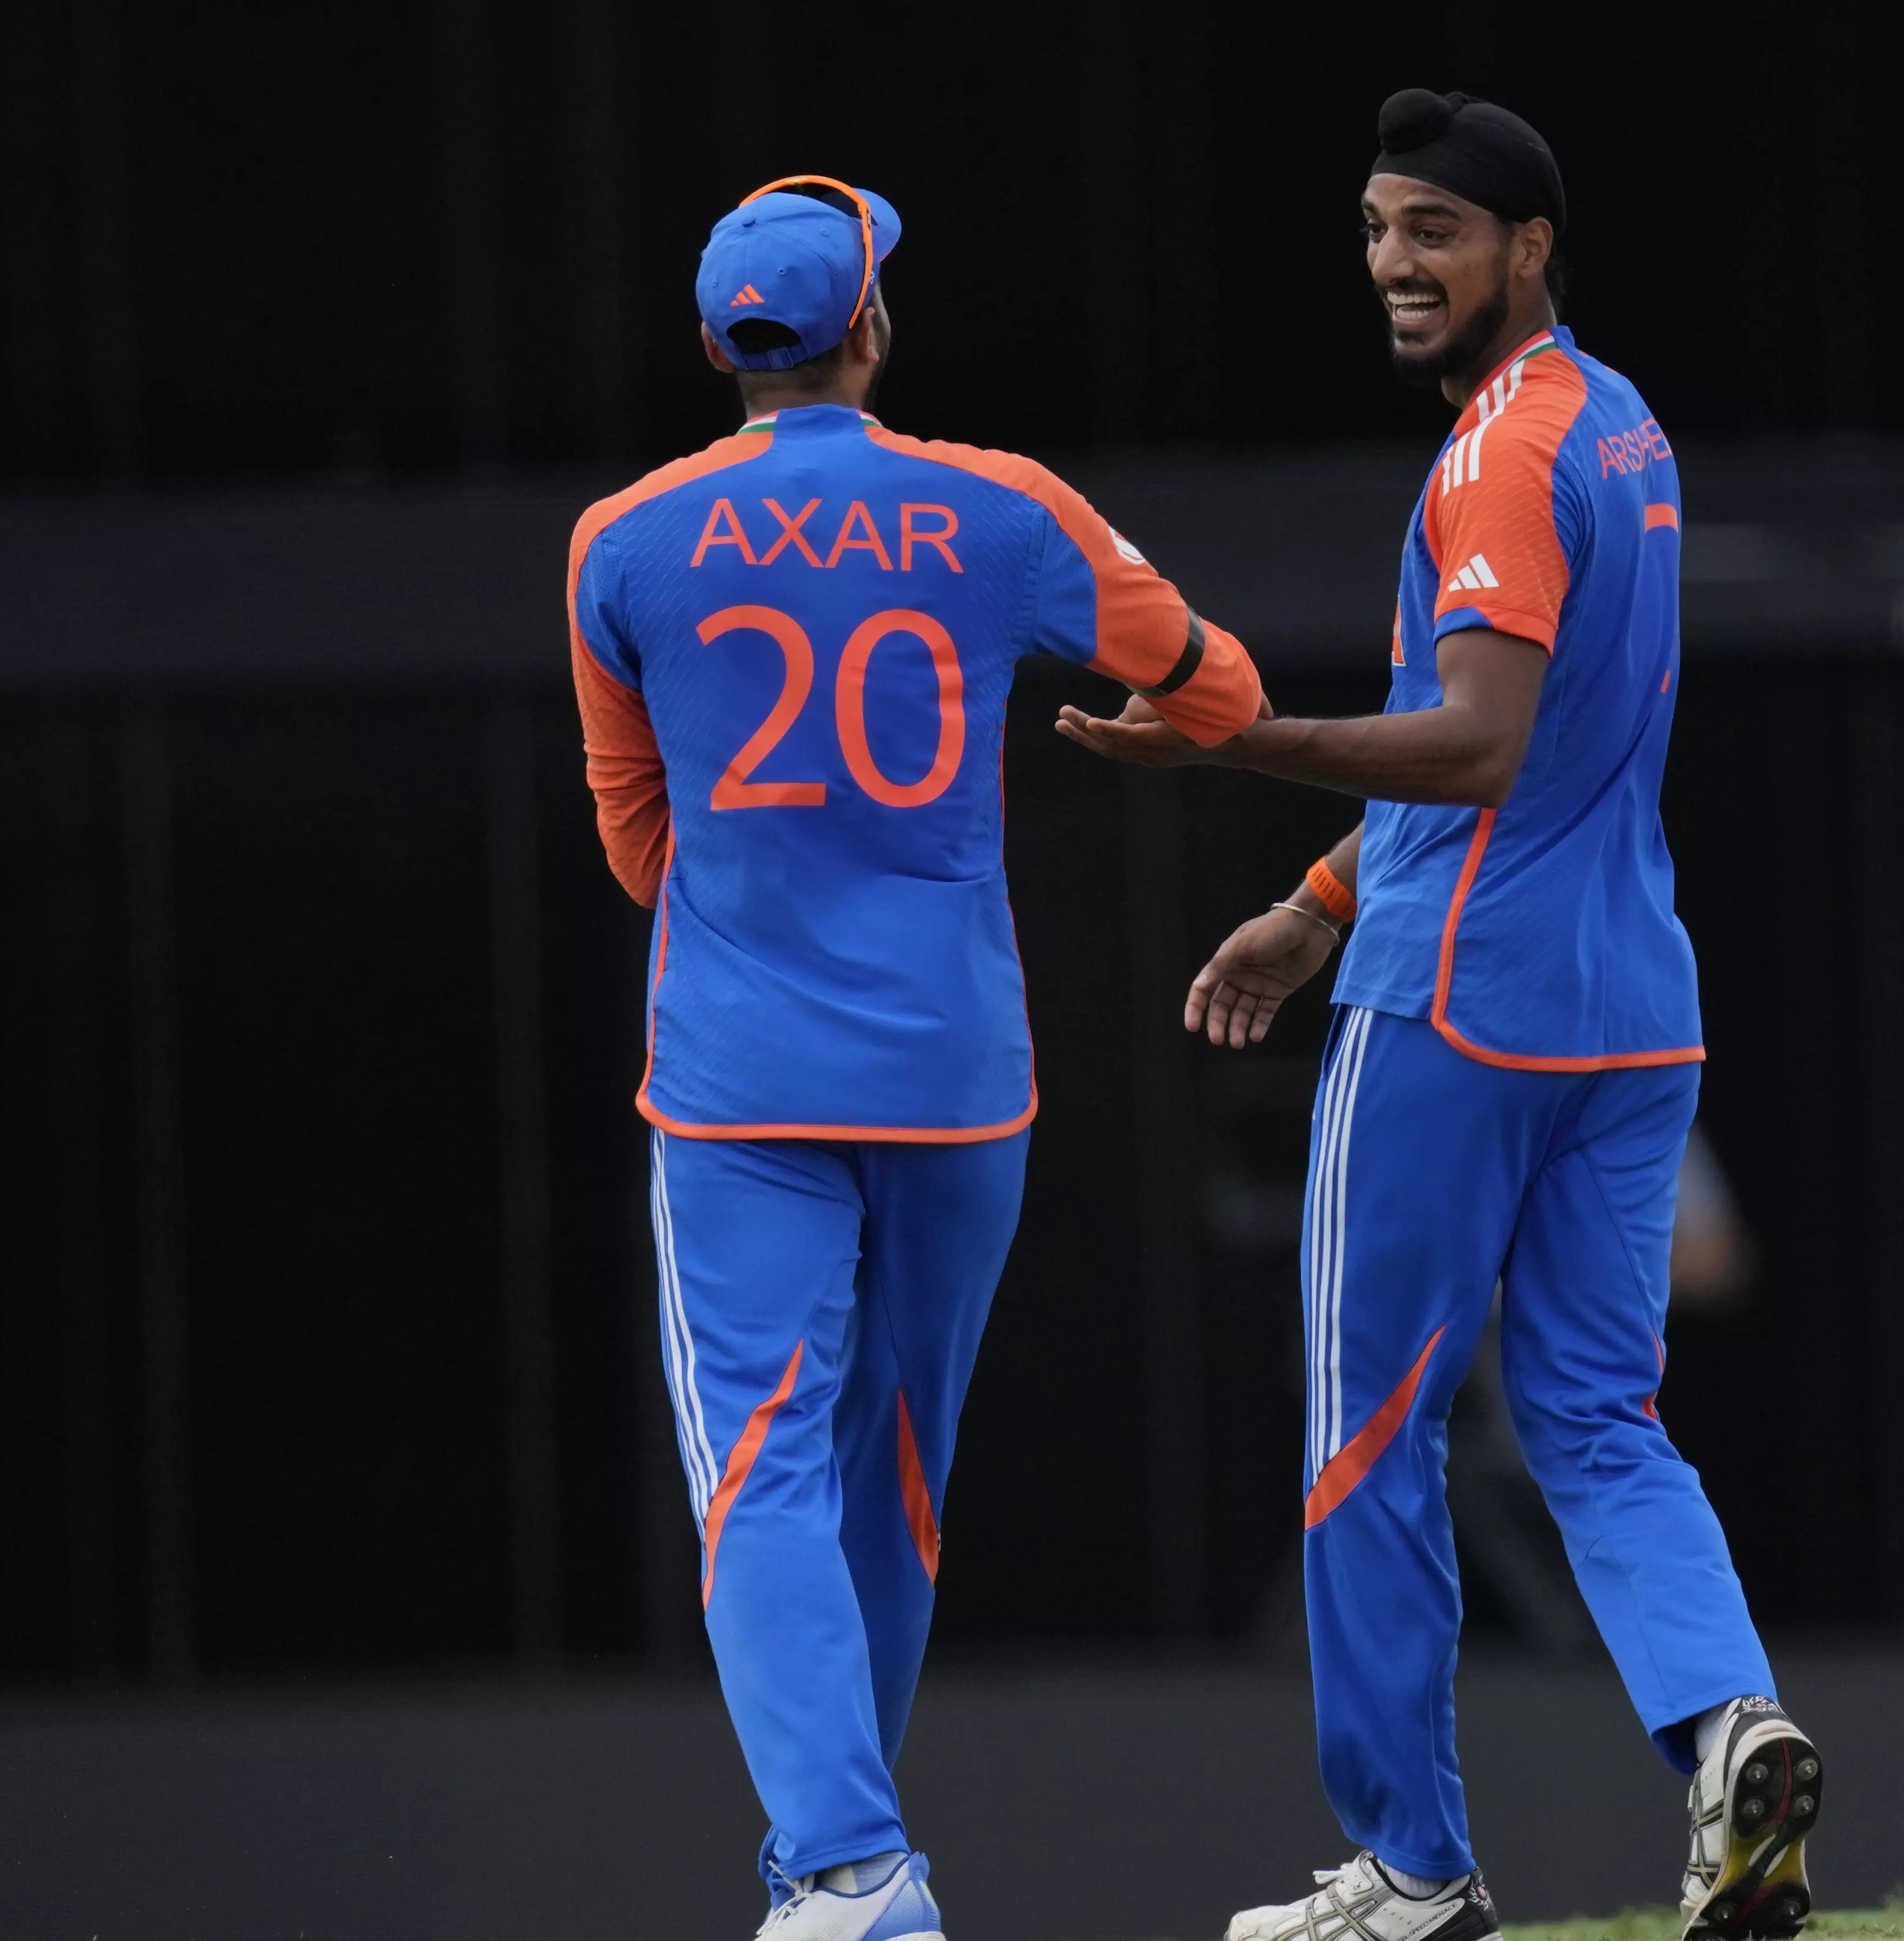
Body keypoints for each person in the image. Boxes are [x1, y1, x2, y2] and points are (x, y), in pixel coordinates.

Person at [1057, 89, 1820, 1941]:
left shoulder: (1495, 458)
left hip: (1462, 1012)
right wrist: (1322, 902)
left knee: (1366, 1429)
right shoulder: (1622, 425)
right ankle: (1733, 1732)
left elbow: (1477, 742)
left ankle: (1410, 1867)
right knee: (1600, 1417)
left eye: (1436, 233)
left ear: (1528, 247)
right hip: (1631, 1010)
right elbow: (1538, 744)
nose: (1397, 264)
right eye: (1380, 230)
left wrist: (1235, 745)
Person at [568, 176, 1264, 1941]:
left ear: (729, 351)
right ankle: (843, 1873)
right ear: (868, 327)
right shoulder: (994, 509)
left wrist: (758, 872)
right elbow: (1221, 693)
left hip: (738, 1077)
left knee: (762, 1469)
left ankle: (848, 1871)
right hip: (956, 1072)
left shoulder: (622, 544)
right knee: (892, 1466)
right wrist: (1141, 715)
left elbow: (636, 846)